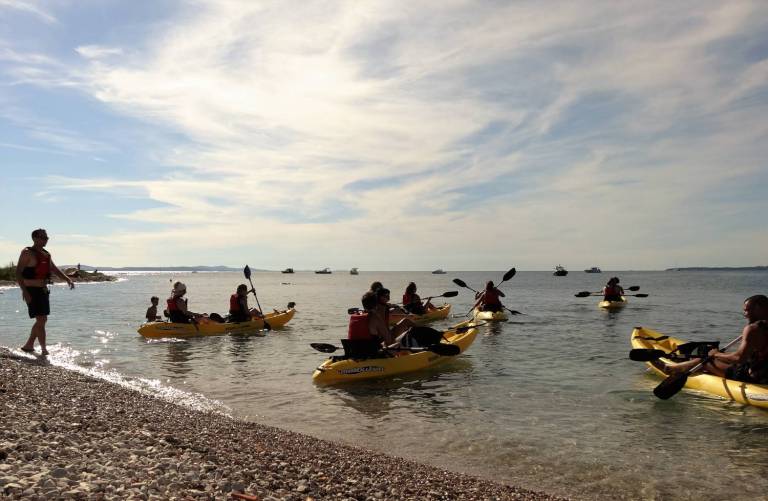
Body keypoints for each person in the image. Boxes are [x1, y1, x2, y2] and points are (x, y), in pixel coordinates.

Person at [667, 295, 768, 382]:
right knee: (717, 356)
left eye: (747, 310)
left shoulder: (753, 329)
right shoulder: (760, 327)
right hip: (761, 371)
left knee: (703, 360)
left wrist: (715, 354)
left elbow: (739, 358)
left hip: (752, 377)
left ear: (758, 308)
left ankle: (670, 369)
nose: (745, 314)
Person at [16, 228, 75, 355]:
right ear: (35, 238)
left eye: (46, 238)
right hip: (31, 290)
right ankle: (43, 349)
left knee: (42, 320)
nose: (46, 240)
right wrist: (24, 291)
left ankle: (29, 345)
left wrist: (67, 278)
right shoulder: (27, 253)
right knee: (41, 319)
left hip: (43, 290)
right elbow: (18, 273)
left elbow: (53, 268)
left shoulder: (46, 254)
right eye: (43, 237)